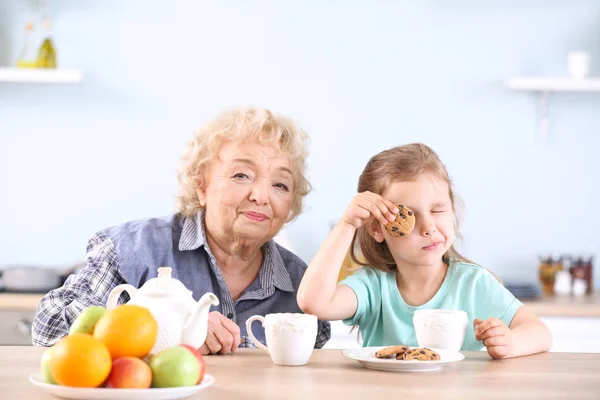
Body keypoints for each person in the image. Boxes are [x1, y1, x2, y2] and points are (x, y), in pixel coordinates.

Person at [32, 107, 331, 354]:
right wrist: (172, 330)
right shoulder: (133, 251)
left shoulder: (302, 284)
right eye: (242, 175)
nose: (261, 196)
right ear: (201, 185)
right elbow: (50, 329)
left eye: (280, 184)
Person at [297, 143, 551, 359]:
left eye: (437, 210)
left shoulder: (473, 284)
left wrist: (510, 343)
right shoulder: (373, 288)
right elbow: (314, 303)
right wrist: (348, 224)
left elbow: (540, 333)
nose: (429, 227)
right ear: (378, 228)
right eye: (410, 215)